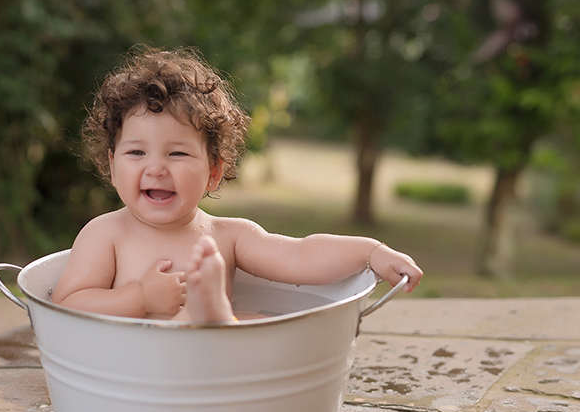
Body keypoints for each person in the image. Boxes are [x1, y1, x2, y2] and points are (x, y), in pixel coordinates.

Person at [52, 46, 423, 322]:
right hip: (134, 367)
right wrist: (140, 300)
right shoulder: (106, 234)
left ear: (214, 171)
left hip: (217, 372)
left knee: (257, 324)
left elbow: (300, 256)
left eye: (177, 154)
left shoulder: (227, 236)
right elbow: (67, 305)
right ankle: (206, 314)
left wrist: (370, 253)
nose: (157, 169)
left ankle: (212, 316)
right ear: (112, 167)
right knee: (212, 326)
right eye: (136, 153)